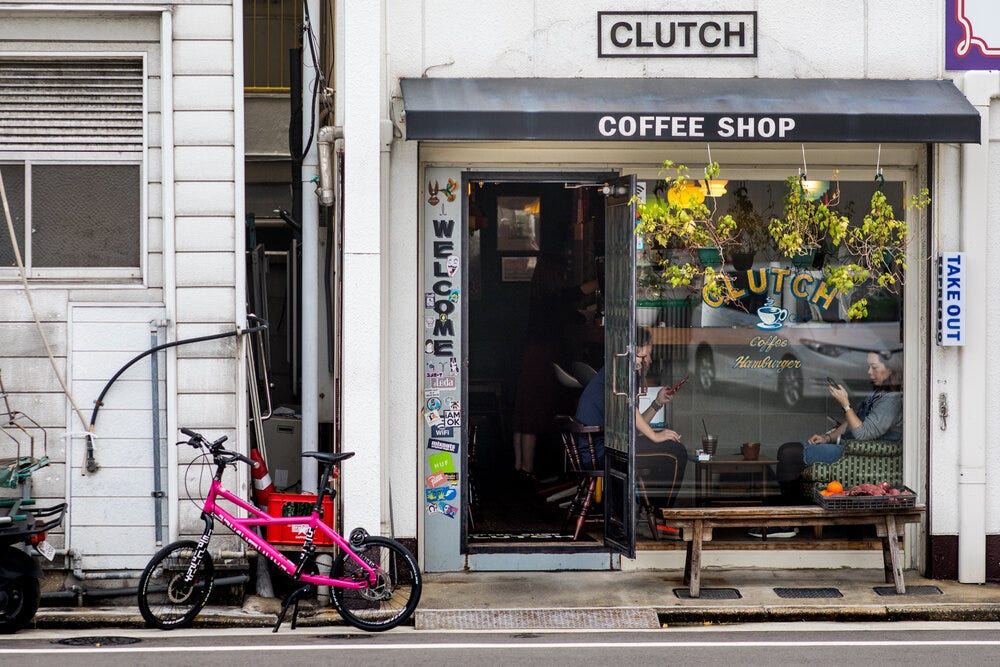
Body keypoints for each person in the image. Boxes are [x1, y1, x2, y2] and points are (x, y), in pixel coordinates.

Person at [756, 350, 904, 539]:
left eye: (874, 367)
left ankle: (787, 523)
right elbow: (853, 421)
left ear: (891, 370)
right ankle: (786, 518)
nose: (868, 372)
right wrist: (828, 437)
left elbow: (863, 434)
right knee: (790, 452)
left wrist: (845, 404)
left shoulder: (892, 400)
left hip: (858, 456)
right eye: (868, 366)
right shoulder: (879, 393)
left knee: (789, 453)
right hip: (850, 451)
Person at [511, 253, 598, 481]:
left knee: (524, 413)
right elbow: (574, 305)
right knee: (533, 413)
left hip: (529, 355)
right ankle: (528, 469)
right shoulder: (553, 298)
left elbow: (574, 295)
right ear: (555, 275)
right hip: (542, 357)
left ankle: (520, 466)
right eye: (563, 273)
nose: (566, 276)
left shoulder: (537, 294)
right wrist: (588, 309)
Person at [574, 326, 688, 500]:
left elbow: (634, 422)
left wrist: (657, 403)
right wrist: (655, 436)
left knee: (669, 450)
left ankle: (646, 506)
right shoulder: (621, 370)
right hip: (600, 450)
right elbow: (629, 409)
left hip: (608, 444)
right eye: (648, 353)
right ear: (636, 349)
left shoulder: (619, 368)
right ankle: (660, 512)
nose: (650, 359)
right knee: (675, 453)